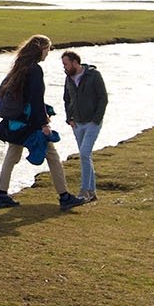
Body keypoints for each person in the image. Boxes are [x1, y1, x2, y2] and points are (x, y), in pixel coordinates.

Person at [0, 34, 70, 209]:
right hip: (30, 123)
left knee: (12, 156)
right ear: (41, 49)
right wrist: (44, 124)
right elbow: (36, 99)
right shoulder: (35, 70)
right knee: (52, 156)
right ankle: (64, 197)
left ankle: (2, 195)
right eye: (48, 49)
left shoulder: (19, 66)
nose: (48, 53)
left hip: (16, 122)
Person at [60, 50, 108, 204]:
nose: (65, 68)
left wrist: (96, 119)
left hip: (92, 123)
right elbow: (66, 100)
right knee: (85, 156)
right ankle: (92, 192)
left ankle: (84, 191)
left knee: (84, 154)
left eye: (66, 64)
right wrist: (69, 119)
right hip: (77, 124)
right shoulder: (68, 78)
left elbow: (103, 98)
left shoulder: (94, 75)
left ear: (75, 62)